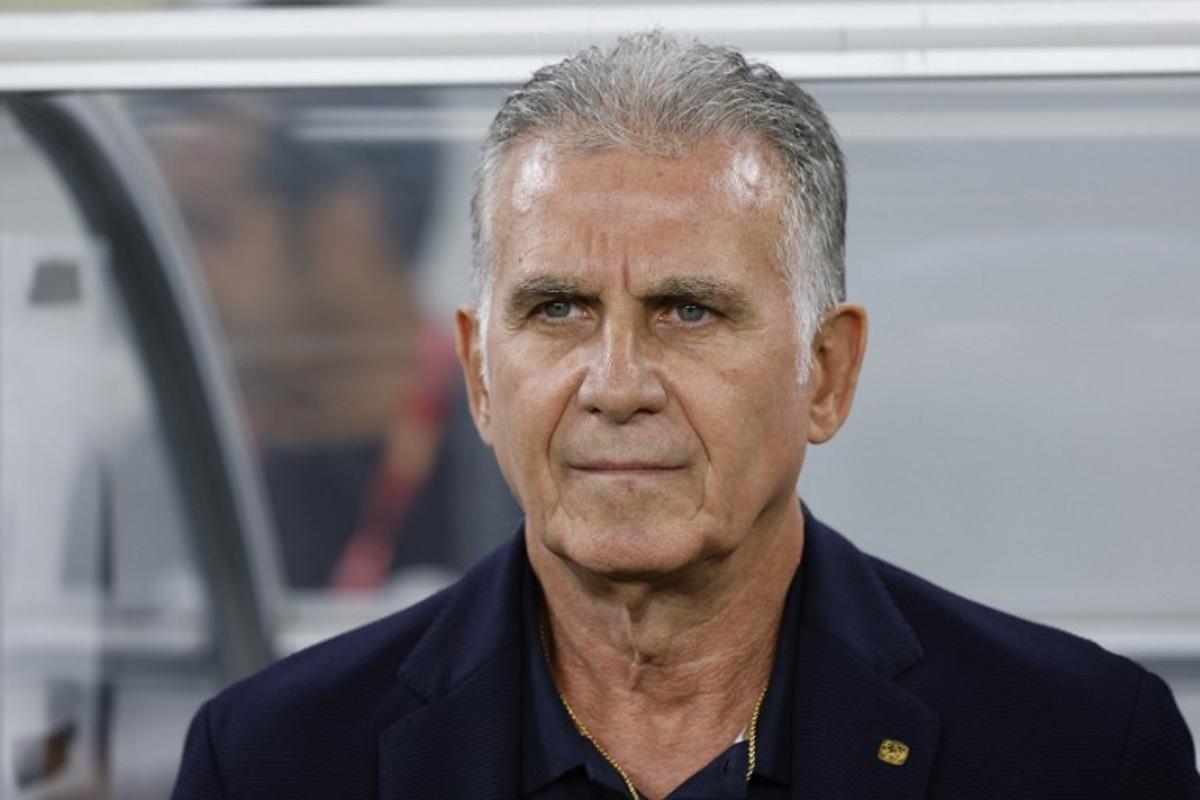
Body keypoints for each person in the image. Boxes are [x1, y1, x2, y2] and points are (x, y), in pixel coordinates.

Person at [171, 32, 1199, 799]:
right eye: (558, 308)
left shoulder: (1078, 750)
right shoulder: (272, 760)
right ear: (482, 372)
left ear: (826, 372)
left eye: (689, 308)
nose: (617, 383)